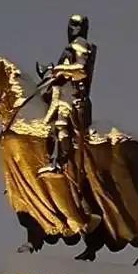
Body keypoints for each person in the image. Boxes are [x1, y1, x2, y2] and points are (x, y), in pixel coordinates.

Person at [37, 14, 96, 177]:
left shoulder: (79, 44)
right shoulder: (73, 46)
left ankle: (58, 162)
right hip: (65, 94)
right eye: (72, 25)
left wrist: (59, 69)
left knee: (60, 126)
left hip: (72, 96)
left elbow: (80, 69)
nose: (73, 29)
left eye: (77, 25)